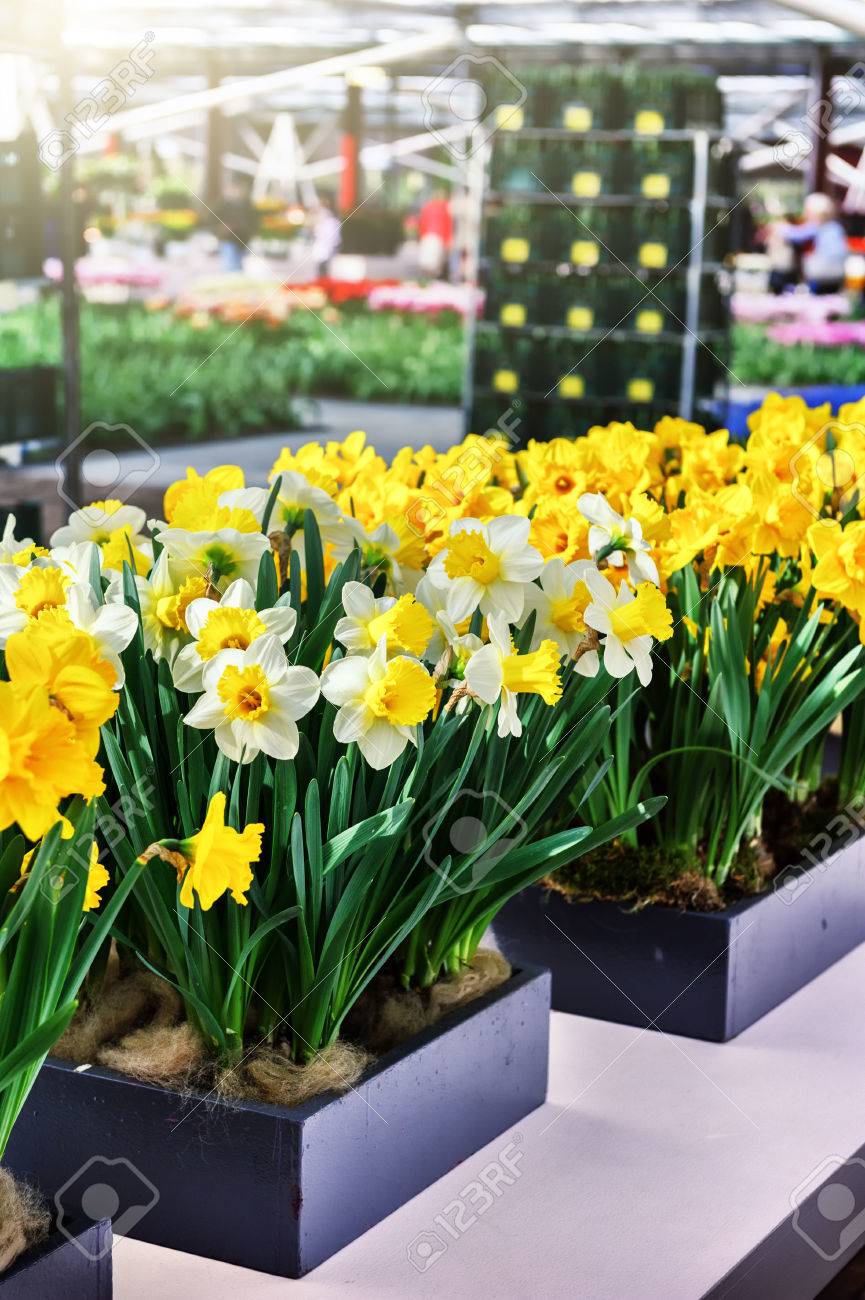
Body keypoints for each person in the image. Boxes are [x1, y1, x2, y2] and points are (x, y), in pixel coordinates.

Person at [783, 193, 848, 295]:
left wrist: (782, 228)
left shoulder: (817, 225)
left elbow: (797, 235)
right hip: (839, 273)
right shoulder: (836, 227)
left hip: (822, 272)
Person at [215, 180, 255, 273]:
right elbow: (212, 219)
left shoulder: (247, 205)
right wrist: (221, 227)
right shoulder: (223, 204)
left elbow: (253, 222)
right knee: (231, 267)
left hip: (243, 241)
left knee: (240, 266)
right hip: (228, 241)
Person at [417, 188, 453, 279]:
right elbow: (448, 224)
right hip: (438, 237)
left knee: (428, 265)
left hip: (429, 236)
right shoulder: (445, 207)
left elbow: (421, 223)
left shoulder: (427, 207)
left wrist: (421, 236)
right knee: (435, 266)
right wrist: (448, 240)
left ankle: (428, 282)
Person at [311, 196, 341, 280]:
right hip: (322, 248)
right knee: (321, 267)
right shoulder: (323, 220)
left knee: (325, 266)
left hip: (327, 248)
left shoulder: (331, 221)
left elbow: (333, 237)